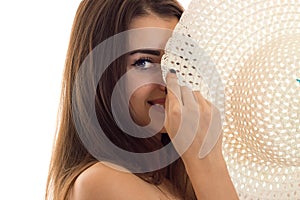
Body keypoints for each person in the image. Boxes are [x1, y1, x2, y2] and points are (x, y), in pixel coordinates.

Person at [46, 0, 238, 199]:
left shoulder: (171, 180)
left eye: (179, 60)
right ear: (100, 74)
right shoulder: (104, 181)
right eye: (144, 62)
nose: (168, 80)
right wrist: (206, 160)